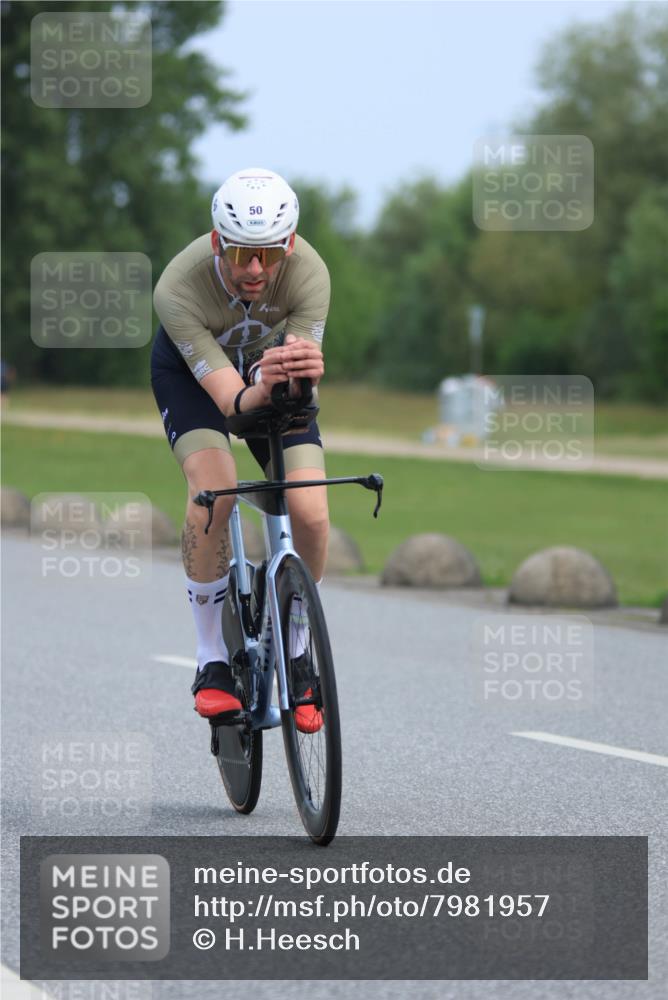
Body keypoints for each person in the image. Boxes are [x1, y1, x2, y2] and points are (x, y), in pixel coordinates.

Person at [151, 167, 329, 731]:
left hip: (270, 377)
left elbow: (298, 384)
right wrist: (261, 381)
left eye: (270, 256)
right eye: (241, 255)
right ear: (217, 243)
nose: (256, 270)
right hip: (196, 382)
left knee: (310, 509)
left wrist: (298, 377)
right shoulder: (177, 288)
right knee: (214, 495)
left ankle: (299, 649)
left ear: (290, 246)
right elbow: (230, 402)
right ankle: (211, 661)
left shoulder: (310, 275)